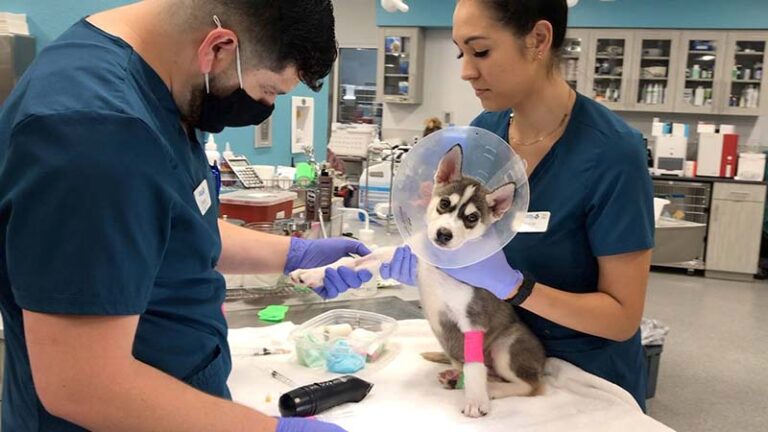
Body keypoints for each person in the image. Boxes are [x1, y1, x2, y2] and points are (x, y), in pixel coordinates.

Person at [0, 1, 375, 430]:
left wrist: (298, 253)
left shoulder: (163, 82)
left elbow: (167, 224)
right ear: (218, 48)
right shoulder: (94, 131)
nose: (264, 105)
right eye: (269, 90)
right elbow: (83, 385)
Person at [386, 0, 654, 410]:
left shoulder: (613, 152)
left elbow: (621, 319)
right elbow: (469, 253)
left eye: (481, 51)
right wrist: (435, 241)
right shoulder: (483, 137)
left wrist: (516, 287)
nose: (465, 71)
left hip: (586, 382)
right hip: (493, 358)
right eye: (461, 53)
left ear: (538, 40)